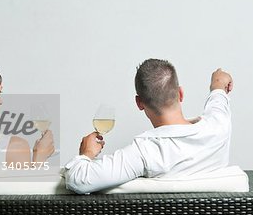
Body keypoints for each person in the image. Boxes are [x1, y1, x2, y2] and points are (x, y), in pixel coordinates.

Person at [64, 59, 233, 194]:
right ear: (180, 93)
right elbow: (218, 98)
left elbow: (79, 180)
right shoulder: (218, 125)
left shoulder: (145, 152)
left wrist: (86, 154)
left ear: (139, 103)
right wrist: (218, 83)